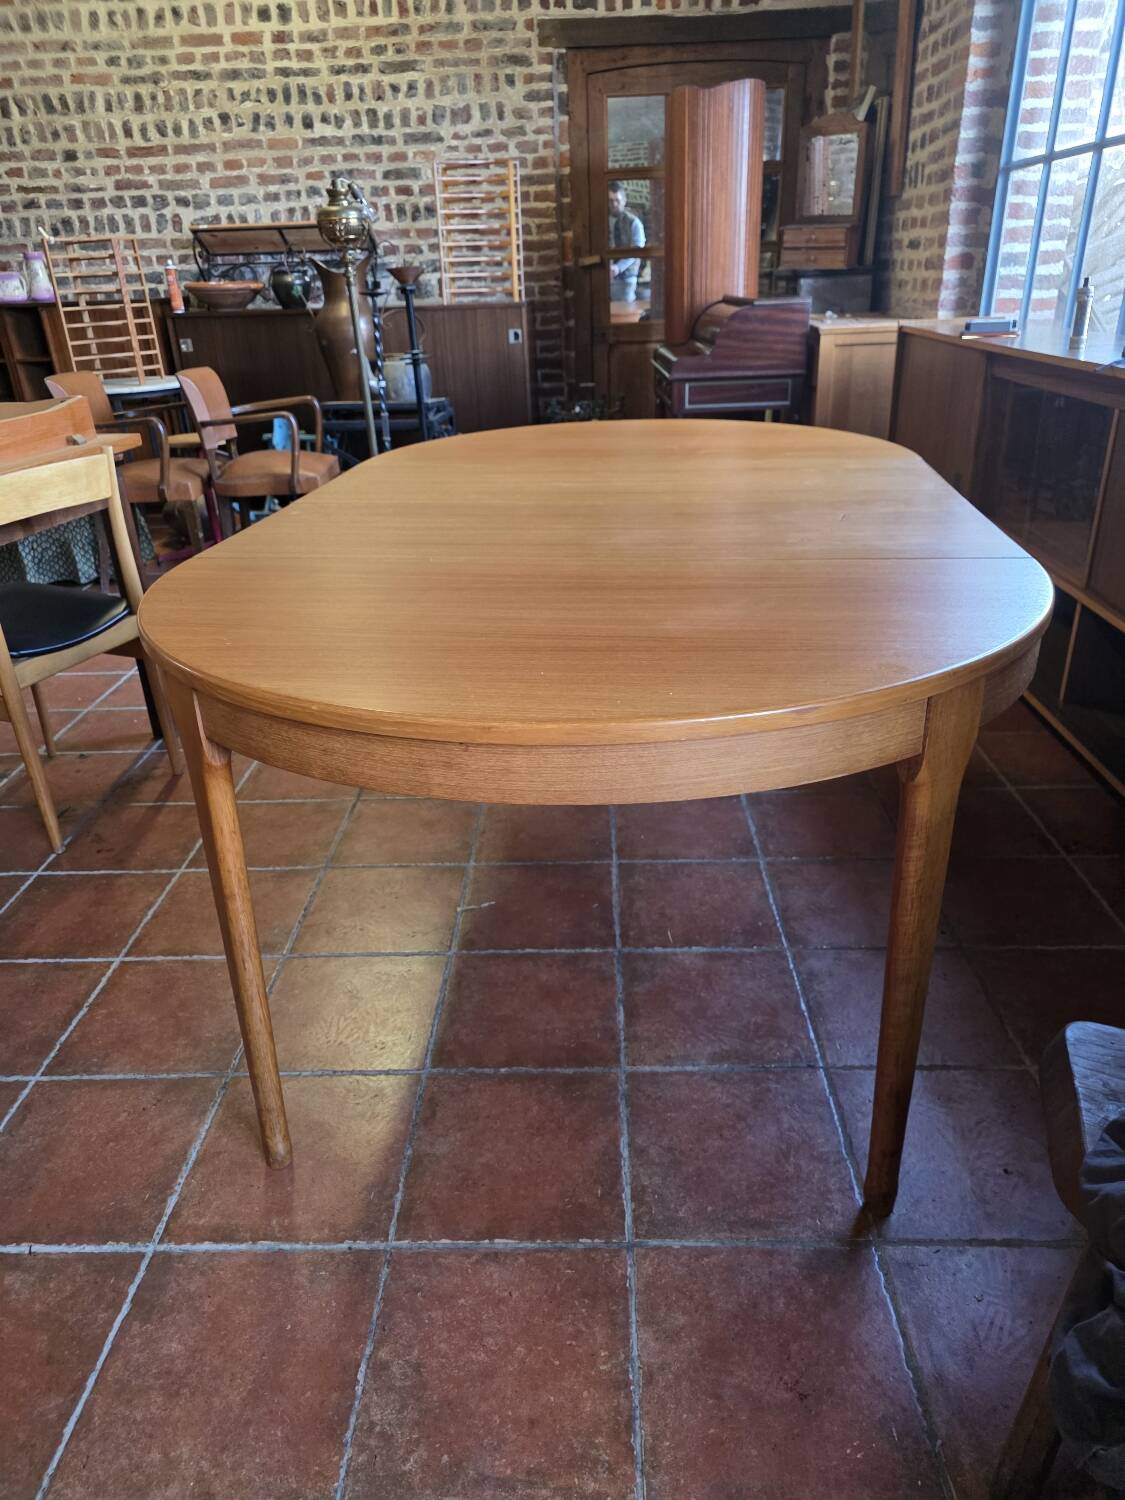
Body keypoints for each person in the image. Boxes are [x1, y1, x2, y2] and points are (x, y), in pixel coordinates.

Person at [608, 181, 646, 302]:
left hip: (626, 279)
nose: (614, 204)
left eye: (617, 200)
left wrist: (618, 267)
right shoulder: (601, 220)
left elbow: (637, 251)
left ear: (624, 201)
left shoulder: (634, 223)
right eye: (610, 200)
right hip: (603, 279)